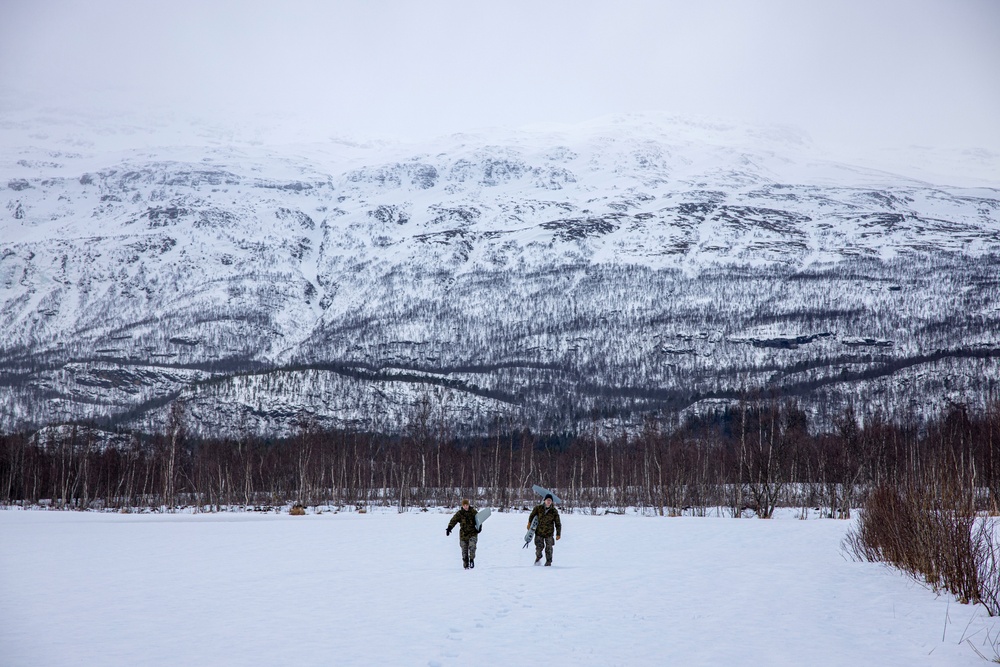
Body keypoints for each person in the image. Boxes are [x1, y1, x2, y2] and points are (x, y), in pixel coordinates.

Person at [446, 499, 482, 569]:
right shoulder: (460, 513)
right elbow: (453, 520)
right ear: (462, 506)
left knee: (472, 547)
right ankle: (466, 566)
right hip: (463, 535)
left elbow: (479, 520)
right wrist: (449, 528)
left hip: (472, 533)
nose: (465, 507)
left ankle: (471, 560)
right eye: (464, 505)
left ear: (469, 505)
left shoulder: (473, 512)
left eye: (467, 505)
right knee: (464, 552)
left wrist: (479, 527)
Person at [527, 493, 562, 566]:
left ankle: (548, 562)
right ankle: (538, 558)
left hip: (549, 533)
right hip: (539, 532)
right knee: (539, 548)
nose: (548, 501)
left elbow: (558, 523)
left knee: (549, 549)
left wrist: (558, 533)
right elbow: (532, 515)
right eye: (547, 500)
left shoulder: (554, 511)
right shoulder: (538, 508)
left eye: (550, 500)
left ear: (551, 502)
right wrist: (529, 523)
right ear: (544, 500)